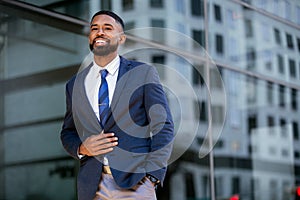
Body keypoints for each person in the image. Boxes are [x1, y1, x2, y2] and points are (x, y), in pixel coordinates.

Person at [60, 10, 174, 200]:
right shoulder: (75, 84)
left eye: (108, 28)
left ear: (121, 38)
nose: (100, 32)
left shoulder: (142, 74)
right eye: (94, 28)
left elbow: (163, 126)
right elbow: (67, 132)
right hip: (92, 186)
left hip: (136, 183)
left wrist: (152, 176)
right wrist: (81, 148)